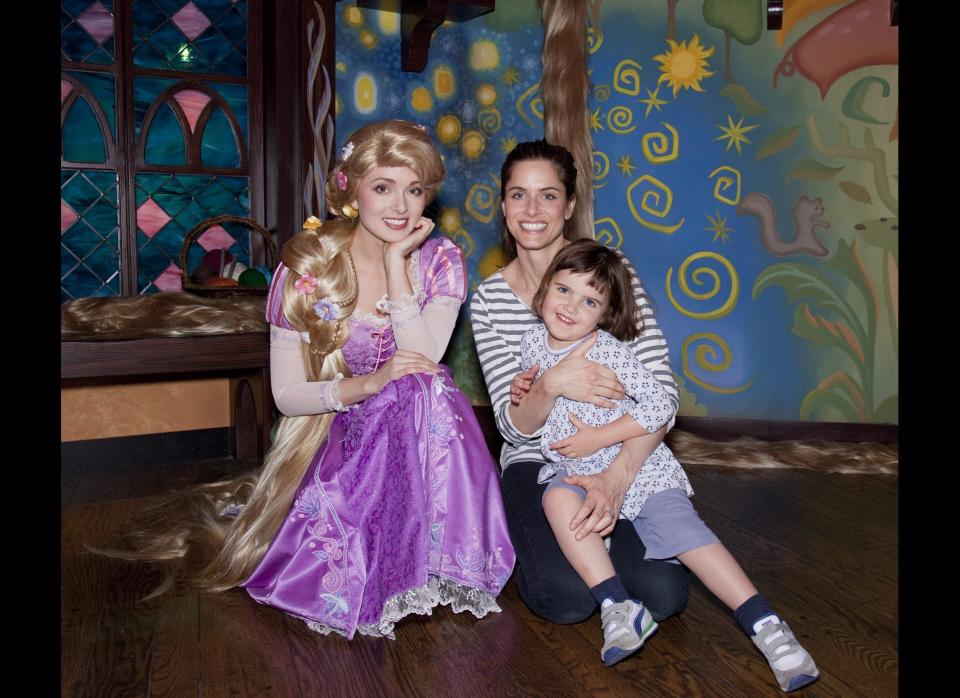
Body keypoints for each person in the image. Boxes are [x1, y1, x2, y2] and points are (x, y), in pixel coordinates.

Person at [117, 119, 515, 640]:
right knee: (414, 388)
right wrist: (367, 386)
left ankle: (440, 554)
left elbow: (421, 356)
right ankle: (384, 563)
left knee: (429, 384)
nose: (400, 206)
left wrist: (397, 264)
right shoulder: (308, 269)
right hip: (337, 431)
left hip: (416, 431)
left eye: (414, 190)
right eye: (383, 187)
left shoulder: (439, 260)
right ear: (350, 190)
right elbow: (286, 396)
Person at [518, 239, 819, 691]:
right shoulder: (531, 341)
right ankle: (618, 606)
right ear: (543, 291)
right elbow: (527, 399)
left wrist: (598, 438)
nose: (570, 306)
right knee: (557, 498)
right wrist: (529, 384)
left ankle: (767, 625)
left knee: (686, 535)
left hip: (639, 468)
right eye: (562, 290)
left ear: (604, 314)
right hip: (574, 468)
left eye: (589, 301)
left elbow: (660, 406)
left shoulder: (610, 352)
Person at [469, 139, 688, 627]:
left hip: (621, 451)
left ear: (569, 206)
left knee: (663, 595)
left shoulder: (611, 275)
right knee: (565, 600)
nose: (531, 210)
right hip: (538, 460)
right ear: (502, 204)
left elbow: (663, 397)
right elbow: (515, 427)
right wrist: (553, 383)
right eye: (518, 194)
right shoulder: (488, 300)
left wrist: (617, 477)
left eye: (547, 195)